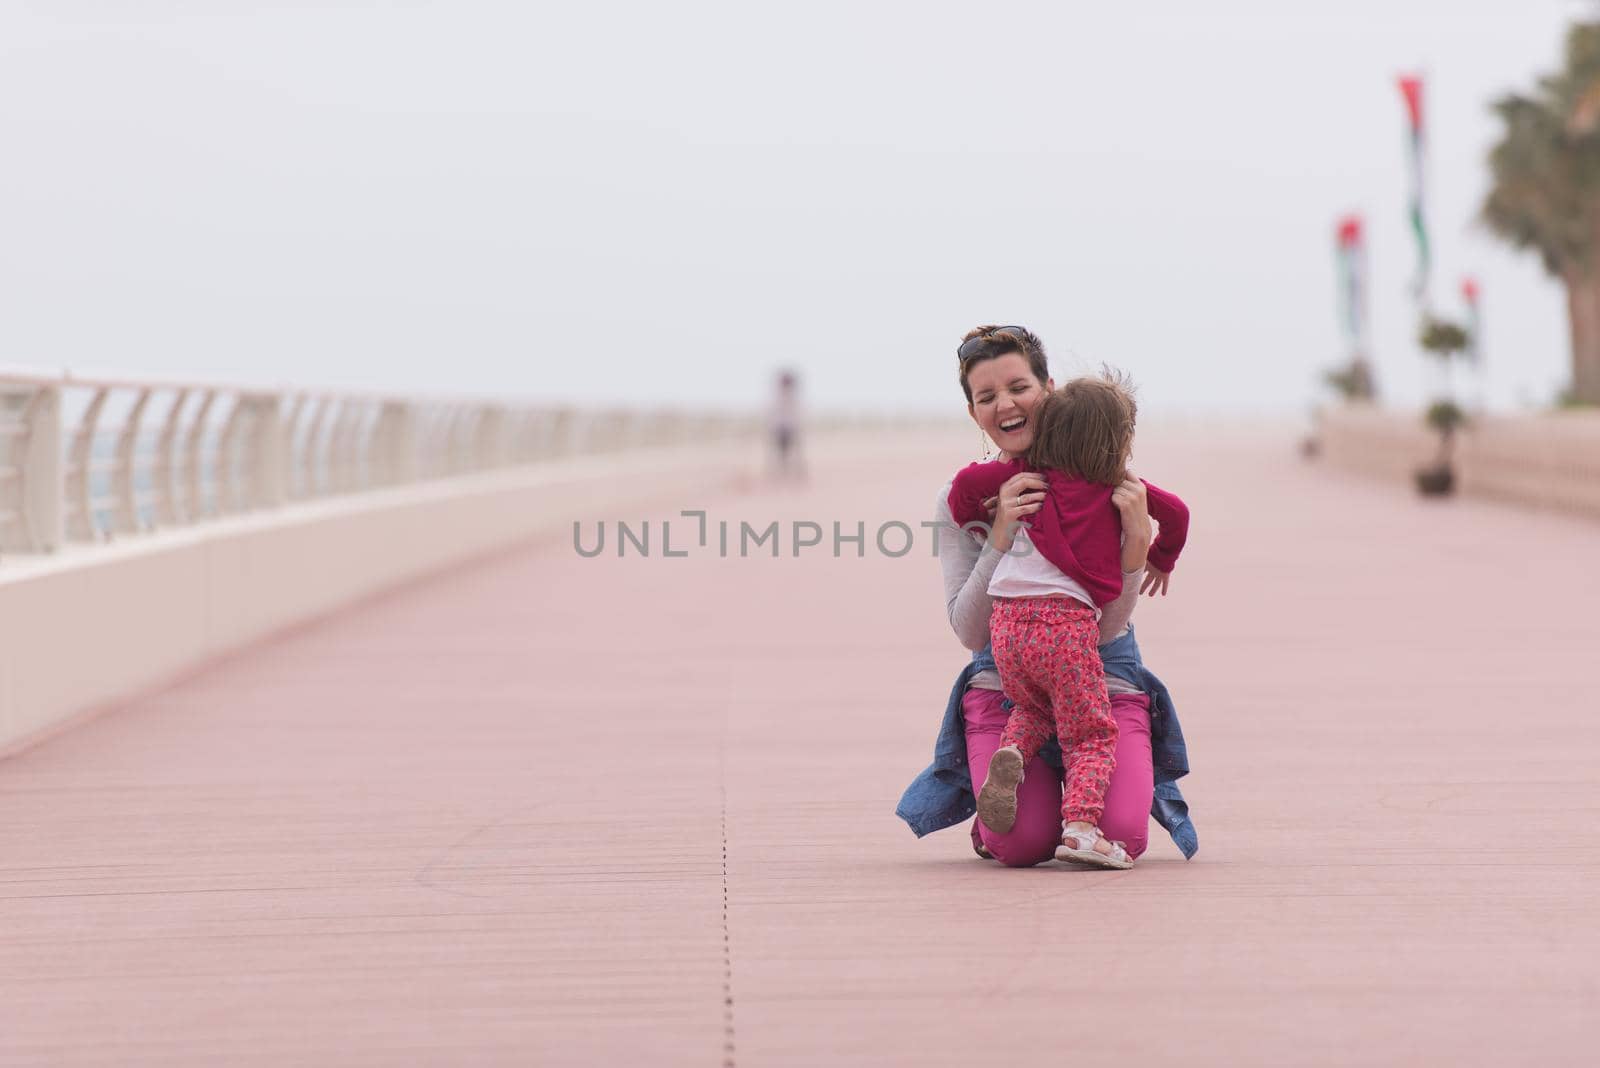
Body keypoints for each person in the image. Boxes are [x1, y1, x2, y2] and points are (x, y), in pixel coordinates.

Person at [895, 325, 1197, 867]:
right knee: (1022, 844)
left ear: (1049, 390)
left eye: (1019, 387)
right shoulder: (965, 496)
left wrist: (1136, 546)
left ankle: (1046, 784)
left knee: (1124, 834)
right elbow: (968, 632)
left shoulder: (1109, 483)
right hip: (1004, 682)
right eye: (986, 397)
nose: (1005, 405)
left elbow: (1106, 629)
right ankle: (1009, 803)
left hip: (1100, 673)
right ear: (974, 413)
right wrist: (1001, 534)